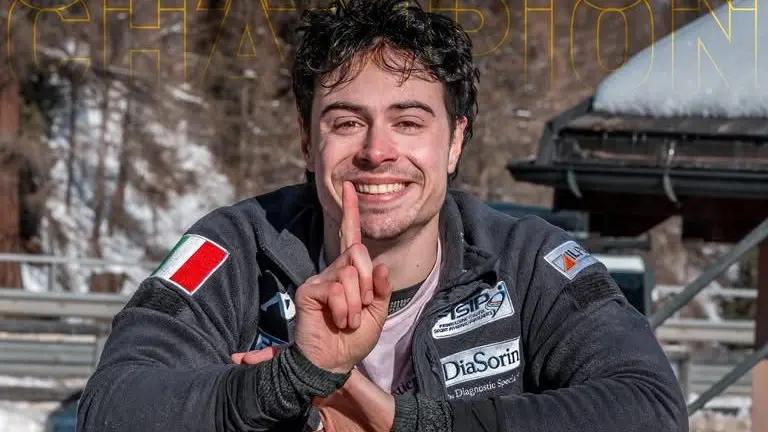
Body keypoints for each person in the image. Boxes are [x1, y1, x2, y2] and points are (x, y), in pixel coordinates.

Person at [76, 0, 688, 431]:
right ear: (307, 141)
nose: (376, 151)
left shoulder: (527, 261)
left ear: (454, 142)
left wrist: (410, 423)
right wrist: (292, 379)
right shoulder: (235, 249)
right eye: (346, 122)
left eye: (409, 121)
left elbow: (651, 410)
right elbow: (111, 409)